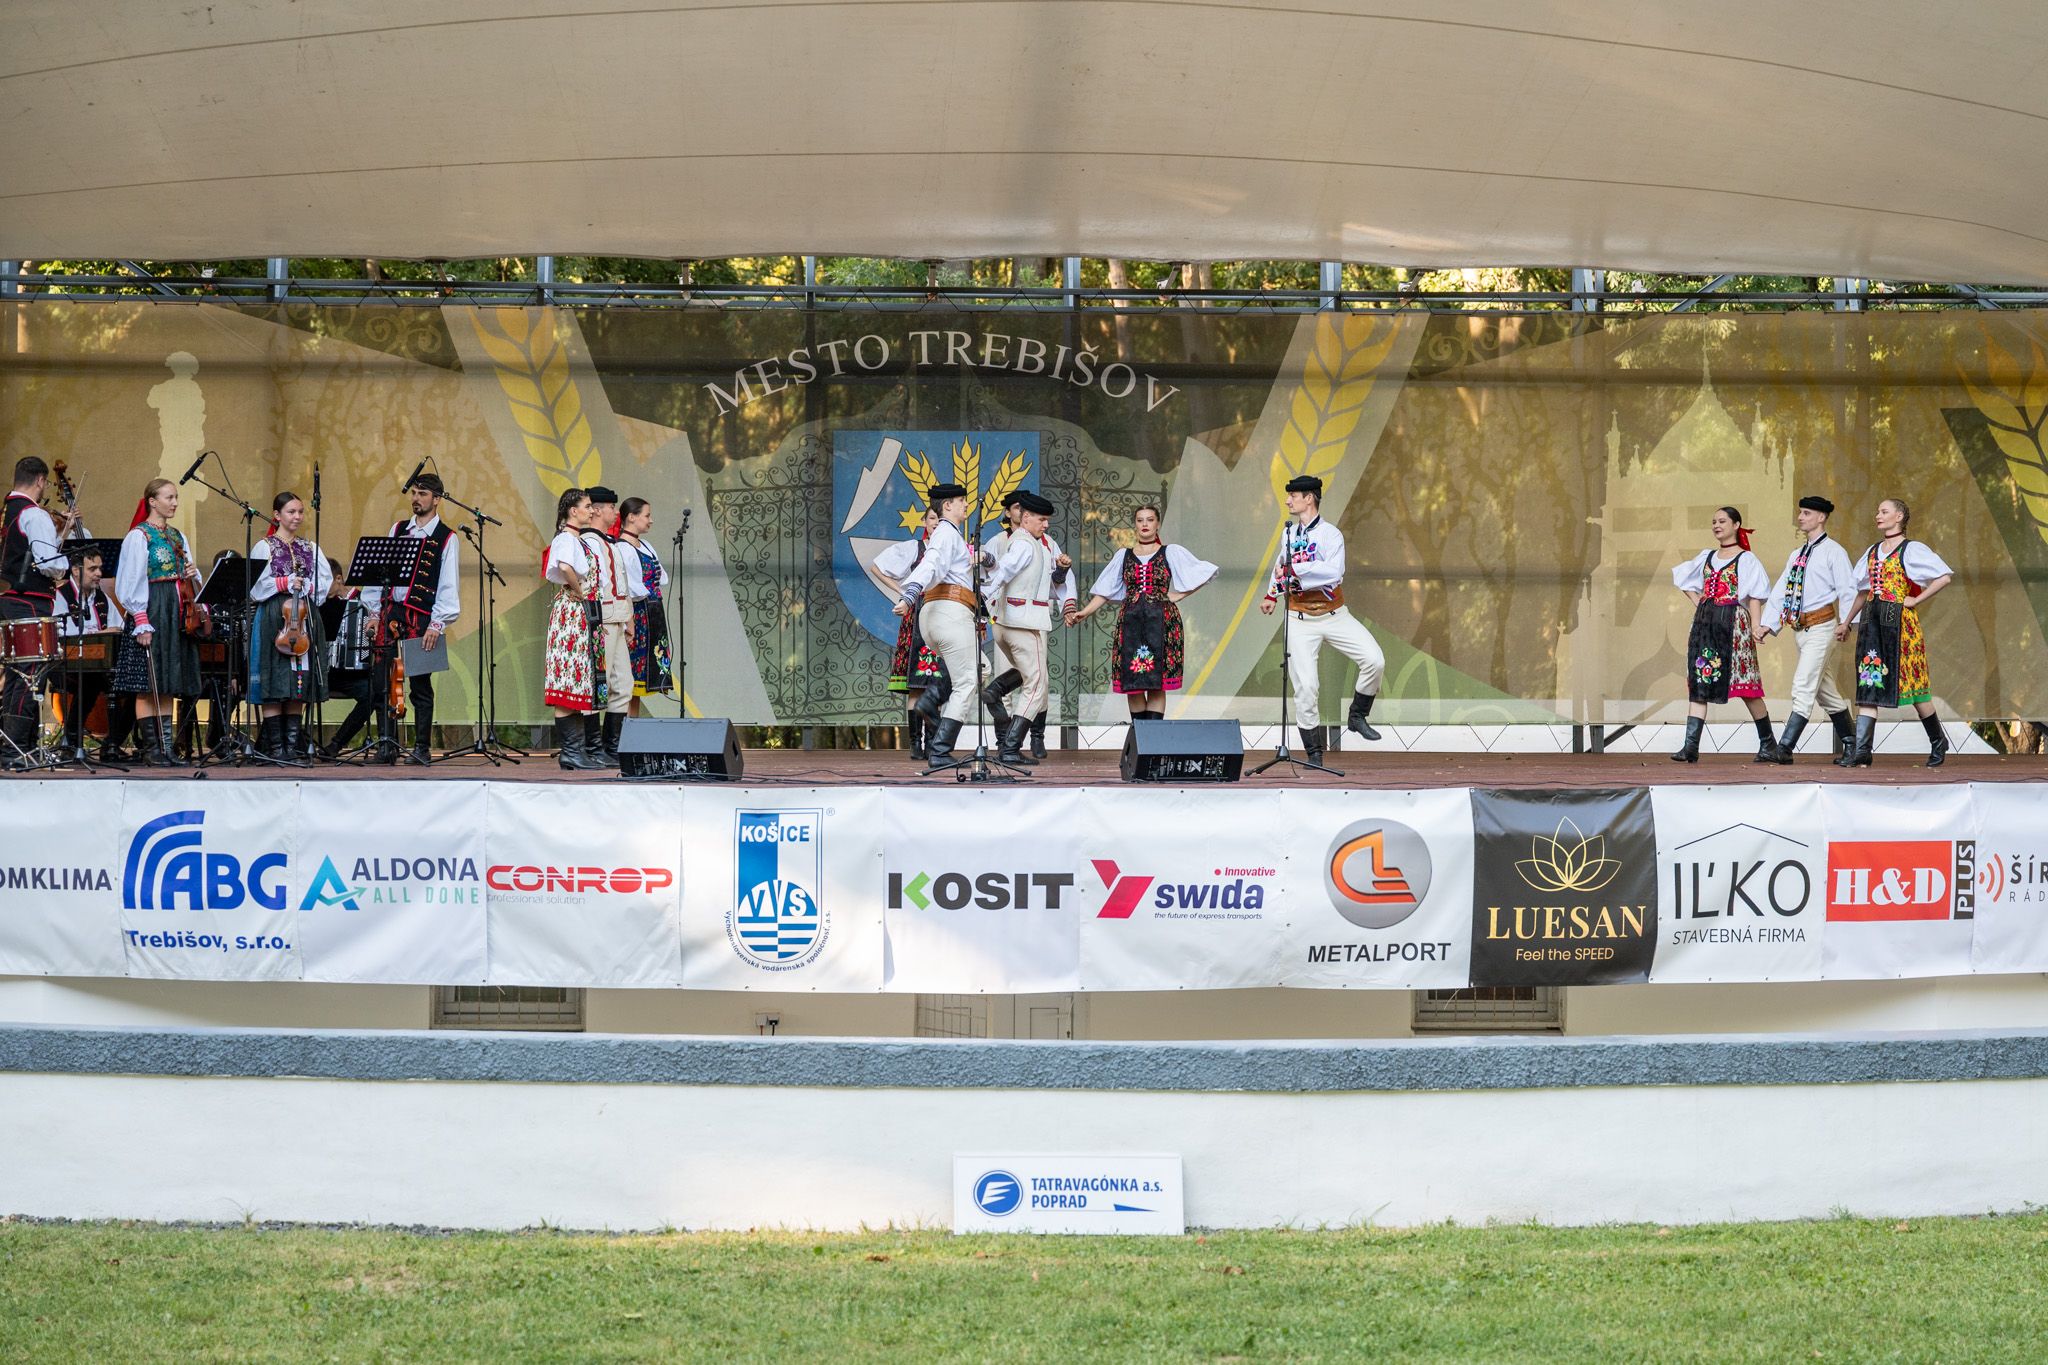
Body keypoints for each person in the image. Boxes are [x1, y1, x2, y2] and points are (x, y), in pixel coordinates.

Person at [1259, 474, 1384, 765]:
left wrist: (1297, 569)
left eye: (1293, 496)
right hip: (1299, 618)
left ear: (1309, 499)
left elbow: (1333, 572)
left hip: (1334, 615)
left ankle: (1358, 715)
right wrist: (1271, 595)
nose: (1288, 501)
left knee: (1374, 660)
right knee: (1306, 687)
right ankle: (1314, 752)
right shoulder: (1289, 534)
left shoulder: (1331, 535)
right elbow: (1280, 565)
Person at [1067, 504, 1218, 720]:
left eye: (1150, 519)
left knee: (1157, 682)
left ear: (1157, 524)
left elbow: (1203, 571)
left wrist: (1180, 595)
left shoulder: (1170, 552)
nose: (1145, 524)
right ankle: (1140, 734)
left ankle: (1152, 735)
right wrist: (1085, 612)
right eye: (1140, 520)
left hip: (1162, 621)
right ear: (1135, 525)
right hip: (1131, 622)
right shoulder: (1124, 555)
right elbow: (1105, 590)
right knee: (1133, 681)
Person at [1837, 498, 1955, 768]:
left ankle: (1938, 740)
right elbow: (1863, 591)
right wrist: (1846, 622)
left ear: (1899, 516)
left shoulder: (1911, 549)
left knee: (1913, 687)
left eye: (1884, 511)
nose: (1878, 515)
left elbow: (1944, 577)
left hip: (1901, 627)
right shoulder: (1872, 551)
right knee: (1869, 682)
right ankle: (1862, 751)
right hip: (1872, 625)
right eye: (1878, 511)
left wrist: (1916, 599)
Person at [360, 472, 459, 765]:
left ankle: (422, 748)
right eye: (414, 493)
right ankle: (386, 745)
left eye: (423, 494)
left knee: (420, 684)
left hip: (422, 617)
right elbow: (380, 573)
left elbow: (448, 585)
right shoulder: (398, 529)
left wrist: (438, 624)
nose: (416, 498)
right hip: (392, 612)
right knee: (383, 680)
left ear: (437, 499)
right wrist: (374, 613)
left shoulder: (446, 538)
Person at [1670, 506, 1779, 763]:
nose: (1717, 526)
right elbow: (1683, 578)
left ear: (1736, 525)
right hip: (1704, 625)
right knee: (1699, 680)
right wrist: (1700, 602)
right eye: (1714, 522)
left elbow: (1754, 596)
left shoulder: (1746, 559)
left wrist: (1756, 626)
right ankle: (1690, 747)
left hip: (1734, 626)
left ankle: (1769, 744)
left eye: (1722, 521)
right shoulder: (1707, 556)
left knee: (1746, 684)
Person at [111, 478, 204, 767]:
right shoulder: (139, 536)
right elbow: (130, 579)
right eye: (169, 497)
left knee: (166, 683)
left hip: (175, 609)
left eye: (176, 497)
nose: (174, 502)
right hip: (152, 609)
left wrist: (192, 574)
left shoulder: (177, 536)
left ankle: (166, 747)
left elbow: (188, 577)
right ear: (152, 501)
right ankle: (152, 749)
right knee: (148, 682)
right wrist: (140, 618)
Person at [1758, 495, 1857, 763]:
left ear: (1821, 517)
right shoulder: (1797, 554)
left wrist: (1846, 622)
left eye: (1806, 513)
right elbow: (1783, 589)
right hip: (1801, 629)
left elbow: (1847, 588)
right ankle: (1853, 744)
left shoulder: (1834, 551)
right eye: (1800, 513)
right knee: (1825, 692)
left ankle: (1784, 748)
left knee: (1803, 685)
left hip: (1822, 627)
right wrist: (1768, 623)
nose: (1800, 517)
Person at [979, 490, 1075, 765]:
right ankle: (1010, 747)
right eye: (1042, 519)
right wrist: (982, 600)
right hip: (1023, 623)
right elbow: (1003, 571)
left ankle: (996, 689)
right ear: (1027, 517)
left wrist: (1060, 571)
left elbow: (1046, 585)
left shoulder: (1034, 544)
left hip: (1009, 623)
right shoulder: (1023, 544)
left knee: (1027, 673)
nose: (1046, 524)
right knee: (1038, 684)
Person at [892, 482, 978, 766]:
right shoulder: (945, 533)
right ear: (948, 505)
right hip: (949, 612)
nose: (967, 505)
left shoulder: (949, 534)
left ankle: (930, 700)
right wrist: (910, 594)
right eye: (962, 500)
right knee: (967, 681)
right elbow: (930, 564)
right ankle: (940, 749)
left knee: (979, 668)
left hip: (937, 614)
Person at [0, 456, 76, 763]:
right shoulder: (34, 514)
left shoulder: (8, 511)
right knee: (31, 673)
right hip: (30, 600)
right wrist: (65, 564)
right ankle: (16, 748)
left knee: (16, 672)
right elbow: (49, 563)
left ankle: (16, 745)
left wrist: (61, 534)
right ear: (41, 481)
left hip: (10, 598)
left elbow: (27, 552)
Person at [246, 492, 333, 760]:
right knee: (274, 678)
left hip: (304, 616)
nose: (297, 517)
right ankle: (276, 747)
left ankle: (292, 745)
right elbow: (255, 586)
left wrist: (308, 587)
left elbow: (325, 583)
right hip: (275, 615)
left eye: (300, 512)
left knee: (298, 680)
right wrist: (283, 583)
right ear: (277, 515)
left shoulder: (311, 547)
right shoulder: (265, 547)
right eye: (291, 512)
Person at [873, 505, 950, 759]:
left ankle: (932, 743)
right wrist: (902, 591)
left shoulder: (950, 550)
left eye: (940, 520)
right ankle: (916, 743)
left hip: (942, 615)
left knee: (938, 683)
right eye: (932, 519)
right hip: (916, 616)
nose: (936, 523)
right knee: (917, 685)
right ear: (924, 522)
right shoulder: (914, 548)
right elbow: (877, 567)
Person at [578, 484, 645, 766]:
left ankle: (611, 747)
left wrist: (628, 618)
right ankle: (592, 748)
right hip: (602, 621)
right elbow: (588, 585)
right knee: (597, 683)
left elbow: (622, 585)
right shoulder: (588, 542)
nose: (615, 512)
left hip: (617, 619)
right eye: (610, 507)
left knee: (623, 684)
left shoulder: (610, 543)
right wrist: (595, 620)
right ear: (596, 510)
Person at [49, 544, 134, 761]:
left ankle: (113, 742)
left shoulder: (102, 598)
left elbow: (119, 628)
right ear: (76, 571)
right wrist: (100, 633)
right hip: (63, 663)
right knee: (91, 680)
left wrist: (110, 632)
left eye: (100, 568)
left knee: (136, 685)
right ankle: (72, 739)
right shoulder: (60, 596)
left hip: (99, 664)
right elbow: (61, 635)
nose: (98, 574)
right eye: (92, 569)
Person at [541, 488, 605, 770]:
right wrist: (579, 591)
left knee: (579, 681)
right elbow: (565, 567)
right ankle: (571, 752)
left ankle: (576, 752)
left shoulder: (578, 539)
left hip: (581, 613)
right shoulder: (566, 538)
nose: (591, 511)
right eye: (587, 506)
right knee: (568, 679)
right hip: (572, 613)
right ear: (573, 510)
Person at [617, 497, 673, 717]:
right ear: (631, 517)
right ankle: (625, 725)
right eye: (647, 515)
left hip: (652, 611)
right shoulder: (622, 548)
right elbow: (630, 588)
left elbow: (660, 577)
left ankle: (633, 723)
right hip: (637, 614)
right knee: (632, 673)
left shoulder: (646, 546)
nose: (651, 520)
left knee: (642, 677)